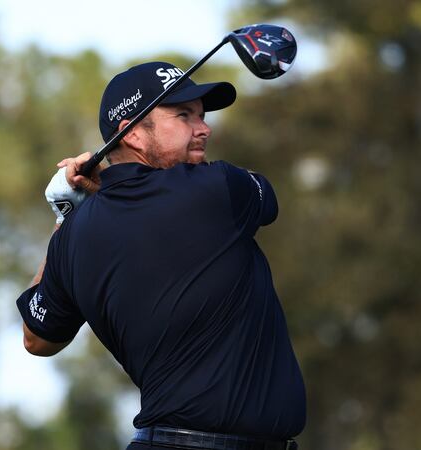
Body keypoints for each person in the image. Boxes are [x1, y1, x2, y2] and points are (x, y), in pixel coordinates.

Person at [16, 61, 306, 450]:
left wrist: (67, 216)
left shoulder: (73, 236)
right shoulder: (217, 188)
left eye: (201, 116)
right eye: (183, 116)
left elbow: (37, 337)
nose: (204, 128)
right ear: (132, 133)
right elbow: (265, 197)